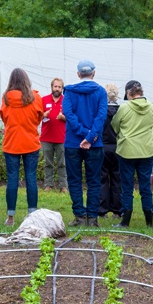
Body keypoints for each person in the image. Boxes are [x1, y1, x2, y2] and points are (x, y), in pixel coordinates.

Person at [62, 60, 109, 226]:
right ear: (94, 73)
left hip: (73, 143)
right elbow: (101, 116)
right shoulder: (101, 92)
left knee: (74, 180)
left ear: (78, 74)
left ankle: (80, 216)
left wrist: (84, 134)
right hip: (94, 144)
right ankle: (93, 218)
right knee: (94, 181)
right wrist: (90, 136)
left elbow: (68, 114)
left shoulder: (69, 92)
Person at [0, 68, 46, 225]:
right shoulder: (35, 97)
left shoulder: (6, 98)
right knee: (31, 178)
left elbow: (4, 118)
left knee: (12, 179)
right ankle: (32, 215)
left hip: (11, 143)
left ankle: (10, 217)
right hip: (30, 142)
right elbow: (38, 118)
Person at [112, 80, 153, 227]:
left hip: (127, 151)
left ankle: (125, 220)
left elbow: (115, 125)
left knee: (127, 186)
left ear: (128, 93)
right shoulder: (151, 107)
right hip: (146, 150)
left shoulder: (124, 108)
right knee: (146, 186)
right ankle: (149, 221)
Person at [39, 77, 66, 190]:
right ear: (51, 87)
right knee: (48, 163)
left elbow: (72, 118)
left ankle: (63, 186)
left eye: (59, 87)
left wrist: (63, 117)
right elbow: (36, 117)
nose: (57, 89)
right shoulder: (43, 100)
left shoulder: (66, 100)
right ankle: (48, 185)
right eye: (55, 86)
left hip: (62, 137)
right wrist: (43, 115)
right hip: (46, 137)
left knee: (62, 164)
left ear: (62, 88)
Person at [102, 84, 122, 222]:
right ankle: (117, 210)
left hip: (103, 147)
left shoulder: (101, 110)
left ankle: (102, 210)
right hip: (118, 147)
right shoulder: (121, 110)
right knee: (117, 179)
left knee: (102, 179)